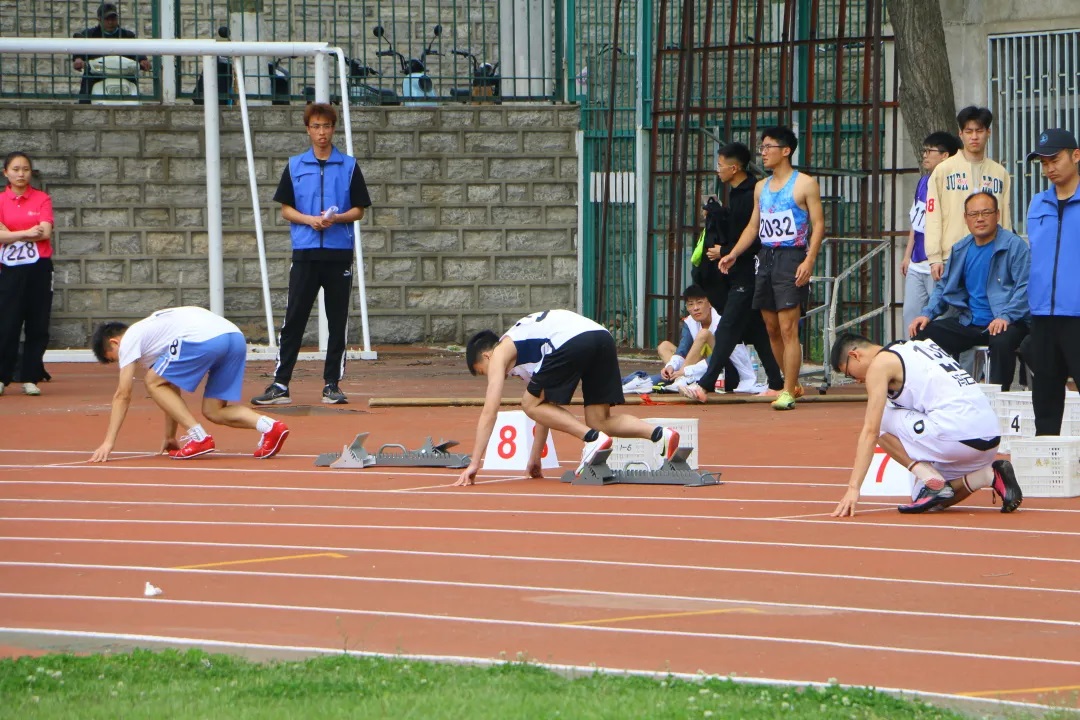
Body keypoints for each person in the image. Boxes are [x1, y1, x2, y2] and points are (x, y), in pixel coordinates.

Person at [455, 309, 682, 486]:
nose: (491, 376)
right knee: (599, 420)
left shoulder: (500, 352)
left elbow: (490, 411)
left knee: (528, 403)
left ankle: (592, 440)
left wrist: (475, 463)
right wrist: (535, 458)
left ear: (486, 355)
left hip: (571, 340)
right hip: (602, 338)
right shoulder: (527, 355)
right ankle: (660, 435)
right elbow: (545, 408)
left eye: (483, 371)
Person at [251, 103, 371, 407]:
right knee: (294, 318)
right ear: (308, 129)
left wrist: (336, 218)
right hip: (305, 252)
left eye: (327, 126)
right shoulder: (295, 165)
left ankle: (332, 384)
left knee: (337, 320)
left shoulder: (349, 166)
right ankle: (280, 384)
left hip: (338, 253)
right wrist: (309, 220)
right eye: (316, 126)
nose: (322, 132)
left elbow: (359, 209)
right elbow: (286, 209)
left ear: (334, 129)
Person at [829, 332, 1022, 517]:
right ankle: (989, 475)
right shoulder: (918, 346)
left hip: (957, 435)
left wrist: (853, 488)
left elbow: (870, 432)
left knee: (879, 419)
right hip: (990, 438)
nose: (858, 380)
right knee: (923, 497)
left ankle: (932, 478)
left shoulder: (880, 365)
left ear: (855, 355)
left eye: (850, 374)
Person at [89, 306, 289, 462]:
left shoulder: (131, 338)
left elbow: (123, 394)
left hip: (203, 338)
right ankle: (271, 427)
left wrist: (108, 442)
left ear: (114, 343)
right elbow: (169, 387)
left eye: (115, 359)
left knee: (151, 380)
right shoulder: (154, 337)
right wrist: (170, 436)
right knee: (214, 411)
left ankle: (199, 437)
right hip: (234, 337)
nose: (122, 363)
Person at [718, 127, 825, 410]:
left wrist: (809, 260)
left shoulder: (805, 184)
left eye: (768, 147)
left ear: (786, 151)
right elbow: (754, 226)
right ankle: (792, 384)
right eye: (762, 147)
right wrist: (733, 253)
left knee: (788, 327)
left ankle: (787, 390)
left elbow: (818, 225)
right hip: (765, 258)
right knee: (771, 328)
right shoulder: (760, 187)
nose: (763, 153)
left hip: (792, 256)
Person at [680, 142, 784, 402]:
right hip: (738, 271)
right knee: (756, 330)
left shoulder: (751, 193)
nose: (718, 170)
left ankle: (704, 385)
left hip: (749, 272)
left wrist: (726, 250)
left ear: (734, 168)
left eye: (720, 165)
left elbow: (755, 235)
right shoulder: (736, 193)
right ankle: (776, 381)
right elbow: (739, 229)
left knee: (727, 327)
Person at [908, 191, 1030, 391]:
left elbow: (1025, 287)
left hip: (1008, 322)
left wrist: (1006, 316)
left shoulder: (1014, 246)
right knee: (923, 335)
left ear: (997, 215)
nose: (980, 219)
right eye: (973, 214)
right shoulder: (961, 249)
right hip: (970, 322)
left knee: (1002, 341)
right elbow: (943, 286)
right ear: (965, 218)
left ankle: (997, 398)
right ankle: (941, 392)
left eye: (986, 212)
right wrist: (927, 314)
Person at [1025, 127, 1080, 435]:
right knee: (1045, 397)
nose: (1049, 168)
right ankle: (1046, 455)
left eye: (1055, 160)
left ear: (1076, 155)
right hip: (1043, 314)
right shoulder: (1037, 204)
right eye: (1044, 163)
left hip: (1077, 313)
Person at [924, 106, 1012, 282]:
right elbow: (933, 215)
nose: (974, 137)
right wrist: (935, 257)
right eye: (969, 131)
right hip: (951, 256)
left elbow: (1005, 218)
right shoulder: (943, 171)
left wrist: (1006, 253)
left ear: (988, 133)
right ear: (961, 134)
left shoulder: (999, 173)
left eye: (979, 131)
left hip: (990, 257)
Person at [0, 152, 54, 397]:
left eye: (25, 169)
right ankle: (2, 376)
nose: (21, 174)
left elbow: (45, 232)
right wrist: (25, 233)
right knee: (7, 323)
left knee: (38, 323)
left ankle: (31, 377)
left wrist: (10, 233)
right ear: (6, 173)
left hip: (39, 267)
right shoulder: (1, 200)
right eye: (15, 169)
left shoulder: (42, 199)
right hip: (8, 269)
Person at [902, 132, 963, 328]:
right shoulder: (923, 182)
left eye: (930, 151)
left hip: (939, 264)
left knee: (940, 320)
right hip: (917, 261)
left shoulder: (954, 186)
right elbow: (917, 221)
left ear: (945, 156)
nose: (925, 155)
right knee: (911, 316)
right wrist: (907, 255)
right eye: (924, 150)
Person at [657, 284, 757, 393]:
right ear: (687, 307)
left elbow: (719, 355)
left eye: (700, 302)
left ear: (709, 303)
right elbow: (682, 350)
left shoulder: (722, 320)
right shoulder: (689, 322)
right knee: (664, 346)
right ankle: (675, 377)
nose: (695, 308)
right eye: (691, 304)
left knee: (704, 334)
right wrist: (670, 366)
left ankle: (681, 379)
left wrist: (686, 371)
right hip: (697, 368)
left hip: (726, 370)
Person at [72, 4, 150, 104]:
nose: (110, 22)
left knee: (133, 92)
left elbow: (136, 51)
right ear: (99, 19)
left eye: (113, 19)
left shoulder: (127, 35)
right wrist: (78, 59)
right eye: (107, 19)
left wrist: (142, 60)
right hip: (96, 75)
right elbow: (79, 47)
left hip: (123, 74)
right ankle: (84, 109)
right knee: (86, 93)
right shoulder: (89, 35)